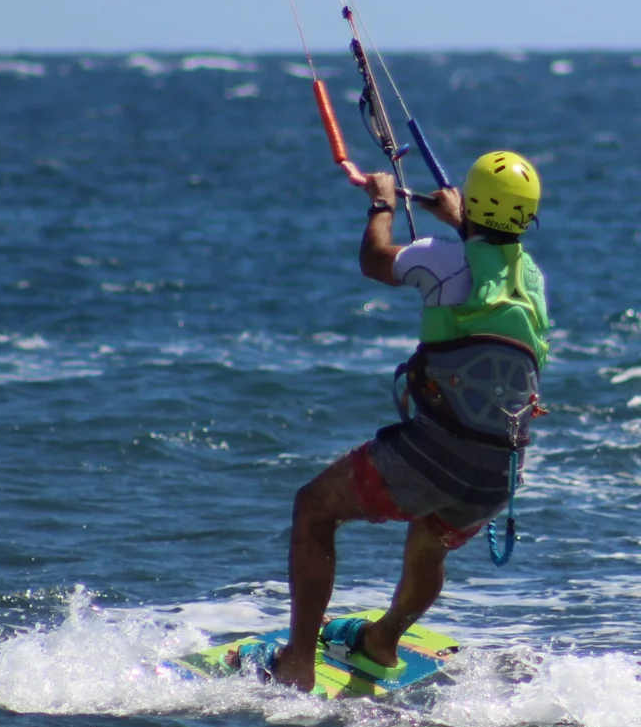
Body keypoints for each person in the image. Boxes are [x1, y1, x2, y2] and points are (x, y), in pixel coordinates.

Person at [234, 151, 550, 692]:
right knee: (431, 536)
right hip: (500, 475)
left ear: (472, 204)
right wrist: (464, 221)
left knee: (313, 508)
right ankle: (382, 640)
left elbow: (376, 259)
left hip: (436, 456)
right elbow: (489, 259)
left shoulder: (438, 257)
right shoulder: (533, 281)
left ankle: (297, 664)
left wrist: (381, 201)